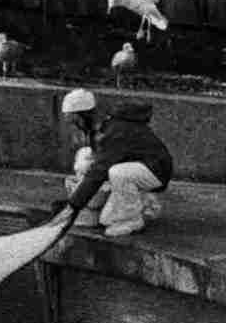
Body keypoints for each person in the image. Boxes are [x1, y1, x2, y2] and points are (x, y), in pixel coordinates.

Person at [60, 97, 174, 239]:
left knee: (118, 175)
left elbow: (99, 171)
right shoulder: (101, 125)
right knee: (85, 156)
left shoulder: (115, 130)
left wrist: (73, 205)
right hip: (134, 163)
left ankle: (133, 217)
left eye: (73, 121)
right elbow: (98, 163)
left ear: (83, 116)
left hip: (156, 170)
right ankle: (99, 206)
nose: (74, 127)